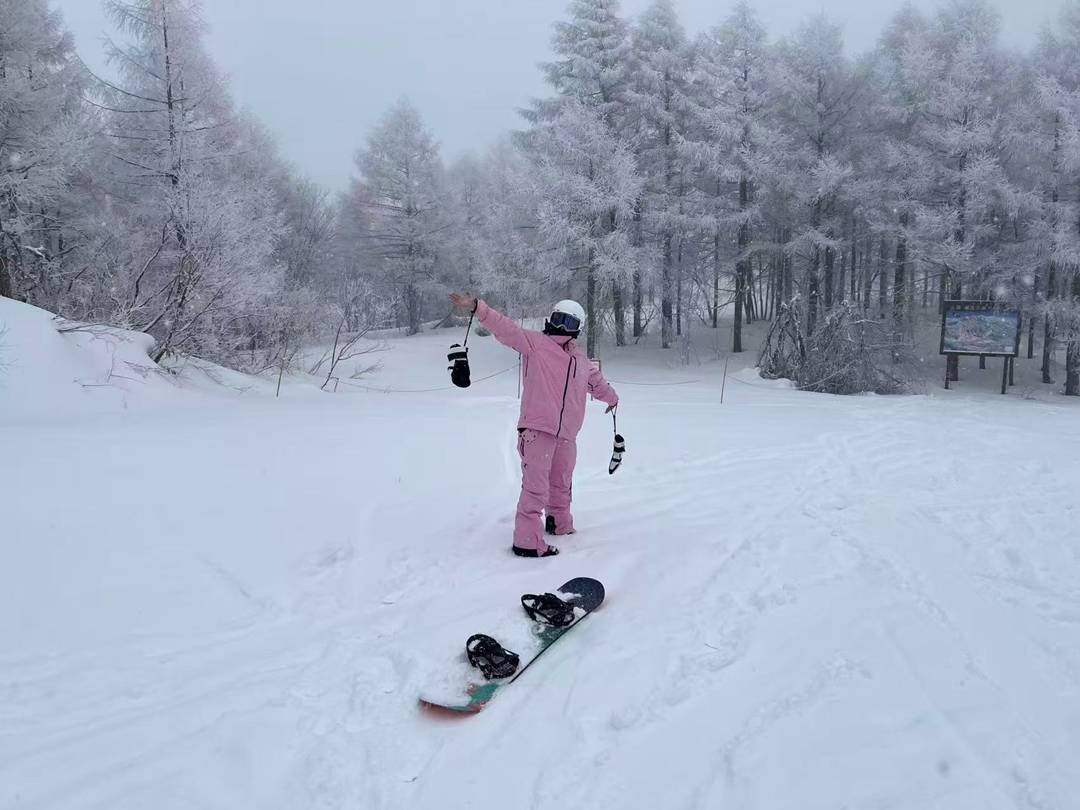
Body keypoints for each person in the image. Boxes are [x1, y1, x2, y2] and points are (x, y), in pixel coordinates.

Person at [450, 293, 619, 558]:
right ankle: (527, 542)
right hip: (537, 430)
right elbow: (505, 328)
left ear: (578, 329)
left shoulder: (581, 362)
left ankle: (559, 524)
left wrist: (612, 399)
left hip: (567, 435)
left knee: (562, 483)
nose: (562, 328)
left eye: (569, 323)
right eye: (558, 320)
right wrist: (478, 308)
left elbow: (599, 384)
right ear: (550, 319)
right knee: (536, 487)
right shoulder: (535, 344)